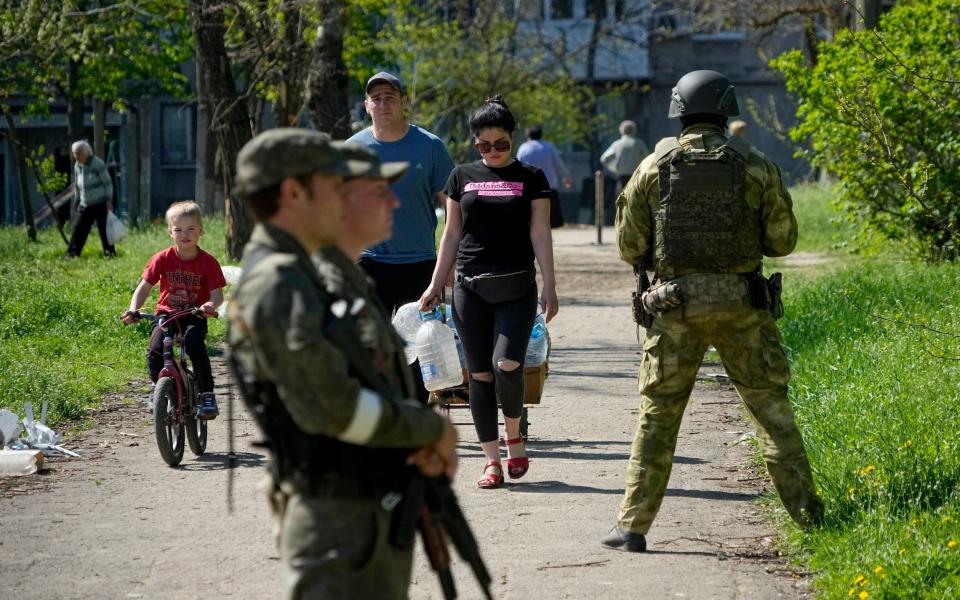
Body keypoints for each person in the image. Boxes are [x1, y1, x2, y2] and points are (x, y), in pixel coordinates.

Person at [226, 128, 459, 599]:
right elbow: (331, 407)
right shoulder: (278, 283)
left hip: (361, 511)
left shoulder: (302, 274)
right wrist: (426, 429)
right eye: (334, 185)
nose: (345, 197)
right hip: (336, 526)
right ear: (293, 193)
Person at [603, 70, 823, 553]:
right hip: (743, 308)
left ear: (678, 111)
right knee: (771, 412)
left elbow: (629, 246)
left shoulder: (652, 166)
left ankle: (632, 527)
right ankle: (811, 522)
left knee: (658, 415)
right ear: (728, 111)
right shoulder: (756, 165)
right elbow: (782, 242)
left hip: (674, 307)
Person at [419, 96, 558, 490]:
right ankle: (492, 461)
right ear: (474, 143)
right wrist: (434, 284)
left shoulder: (532, 178)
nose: (493, 152)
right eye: (485, 145)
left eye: (501, 144)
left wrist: (550, 282)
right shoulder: (459, 176)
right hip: (469, 290)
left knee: (507, 366)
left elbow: (540, 232)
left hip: (516, 288)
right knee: (478, 376)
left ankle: (515, 436)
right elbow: (450, 234)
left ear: (512, 140)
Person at [347, 71, 455, 403]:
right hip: (369, 263)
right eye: (376, 98)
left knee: (419, 347)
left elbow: (453, 207)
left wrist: (451, 261)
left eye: (390, 97)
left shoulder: (430, 147)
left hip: (420, 264)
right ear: (366, 106)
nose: (383, 104)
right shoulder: (354, 149)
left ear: (404, 102)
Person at [122, 201, 225, 419]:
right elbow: (144, 287)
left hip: (194, 315)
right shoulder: (162, 258)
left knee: (194, 344)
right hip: (166, 315)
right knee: (155, 349)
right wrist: (133, 309)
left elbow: (217, 294)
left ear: (200, 231)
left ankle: (207, 394)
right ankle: (158, 388)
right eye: (178, 229)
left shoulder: (208, 263)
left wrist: (210, 305)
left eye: (190, 229)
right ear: (170, 232)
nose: (184, 234)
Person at [66, 140, 116, 258]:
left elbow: (108, 183)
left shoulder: (97, 163)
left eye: (78, 153)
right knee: (78, 229)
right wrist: (76, 201)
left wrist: (109, 200)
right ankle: (72, 254)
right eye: (74, 153)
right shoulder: (77, 166)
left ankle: (109, 253)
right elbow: (77, 186)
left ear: (86, 152)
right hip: (85, 204)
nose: (76, 156)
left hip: (100, 202)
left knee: (104, 230)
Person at [515, 125, 571, 228]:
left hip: (529, 187)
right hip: (549, 185)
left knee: (532, 215)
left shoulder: (524, 147)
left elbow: (517, 166)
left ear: (528, 135)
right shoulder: (549, 146)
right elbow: (558, 164)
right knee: (550, 215)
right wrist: (566, 177)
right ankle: (549, 235)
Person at [600, 119, 650, 196]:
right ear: (634, 129)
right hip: (637, 178)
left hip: (621, 179)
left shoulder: (617, 144)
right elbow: (648, 159)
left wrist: (613, 169)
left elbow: (604, 159)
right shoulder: (639, 144)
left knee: (622, 203)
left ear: (621, 130)